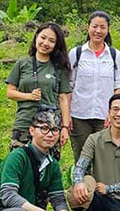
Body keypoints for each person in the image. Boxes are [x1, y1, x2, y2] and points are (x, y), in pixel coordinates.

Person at [4, 22, 71, 160]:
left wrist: (64, 127)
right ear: (36, 38)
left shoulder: (59, 68)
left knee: (47, 166)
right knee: (19, 163)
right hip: (24, 121)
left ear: (56, 45)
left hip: (50, 124)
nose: (46, 43)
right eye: (43, 38)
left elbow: (63, 98)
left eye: (51, 41)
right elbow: (10, 92)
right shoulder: (22, 64)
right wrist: (28, 96)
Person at [69, 10, 120, 164]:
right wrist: (66, 115)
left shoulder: (115, 55)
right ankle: (82, 186)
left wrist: (113, 113)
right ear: (88, 27)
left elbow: (119, 88)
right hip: (79, 115)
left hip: (105, 117)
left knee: (104, 158)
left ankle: (101, 188)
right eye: (95, 26)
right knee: (81, 159)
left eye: (102, 27)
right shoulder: (76, 54)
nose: (98, 31)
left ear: (108, 30)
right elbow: (68, 86)